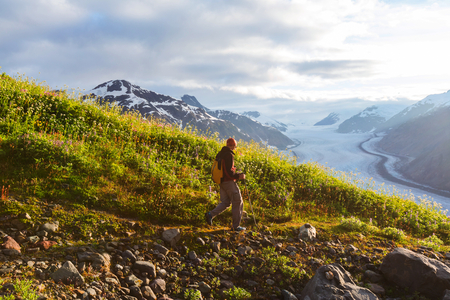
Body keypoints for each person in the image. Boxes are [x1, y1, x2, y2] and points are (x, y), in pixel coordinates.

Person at [205, 138, 246, 231]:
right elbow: (228, 172)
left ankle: (210, 214)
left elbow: (223, 169)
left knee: (226, 202)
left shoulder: (221, 153)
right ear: (233, 146)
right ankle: (236, 226)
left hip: (221, 182)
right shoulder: (229, 155)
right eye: (234, 146)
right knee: (237, 202)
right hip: (228, 182)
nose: (234, 148)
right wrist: (239, 176)